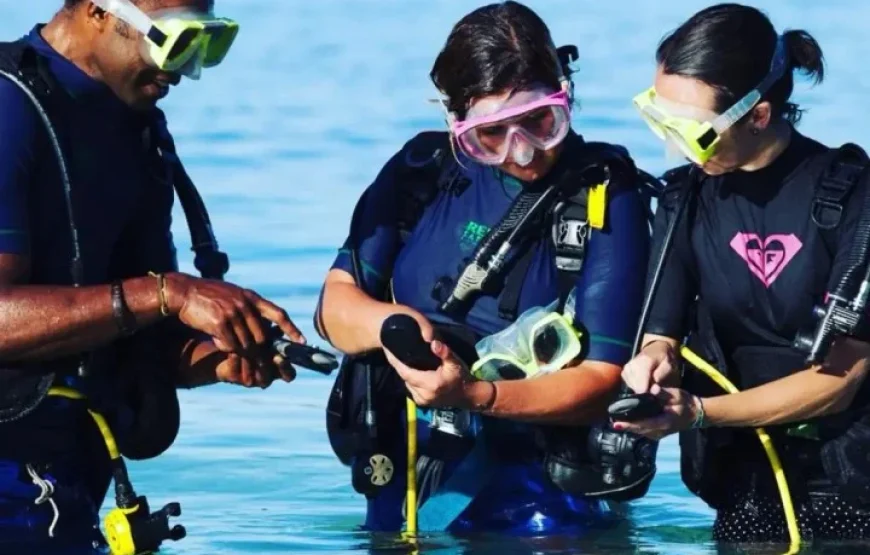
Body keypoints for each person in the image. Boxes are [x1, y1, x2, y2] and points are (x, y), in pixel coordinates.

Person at [316, 1, 652, 537]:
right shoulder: (419, 172)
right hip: (408, 479)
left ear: (564, 95)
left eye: (541, 123)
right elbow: (335, 306)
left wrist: (474, 397)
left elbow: (603, 380)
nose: (522, 152)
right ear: (456, 122)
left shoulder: (605, 194)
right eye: (492, 135)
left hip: (540, 499)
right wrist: (394, 327)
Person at [0, 0, 304, 552]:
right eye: (176, 39)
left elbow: (132, 330)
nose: (186, 69)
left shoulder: (135, 131)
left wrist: (214, 358)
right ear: (96, 10)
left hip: (68, 483)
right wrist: (170, 292)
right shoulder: (7, 108)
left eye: (211, 42)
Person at [615, 2, 870, 545]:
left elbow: (843, 381)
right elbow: (662, 332)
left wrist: (702, 413)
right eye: (660, 121)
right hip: (746, 492)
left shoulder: (856, 199)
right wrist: (652, 365)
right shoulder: (686, 199)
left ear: (758, 114)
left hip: (851, 496)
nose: (676, 145)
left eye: (694, 130)